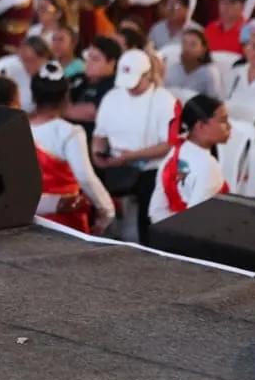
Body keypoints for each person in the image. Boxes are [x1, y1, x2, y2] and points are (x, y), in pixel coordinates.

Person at [92, 48, 179, 243]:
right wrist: (97, 154)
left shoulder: (164, 101)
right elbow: (99, 134)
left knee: (149, 193)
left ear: (147, 76)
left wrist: (131, 156)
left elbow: (169, 143)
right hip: (116, 164)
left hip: (150, 167)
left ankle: (146, 242)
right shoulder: (112, 97)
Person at [25, 62, 115, 234]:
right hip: (65, 219)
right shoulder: (69, 132)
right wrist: (106, 211)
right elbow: (85, 177)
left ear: (34, 94)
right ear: (66, 96)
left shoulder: (19, 126)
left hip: (28, 216)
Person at [149, 94, 232, 224]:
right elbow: (195, 222)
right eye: (223, 120)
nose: (229, 126)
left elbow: (155, 211)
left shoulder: (175, 152)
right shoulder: (208, 166)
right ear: (200, 126)